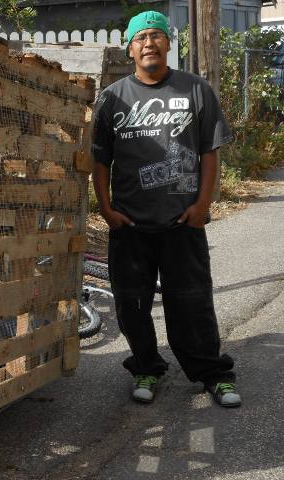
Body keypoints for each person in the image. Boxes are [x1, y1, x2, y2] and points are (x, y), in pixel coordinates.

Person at [91, 10, 241, 407]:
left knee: (191, 302)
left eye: (156, 35)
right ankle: (146, 367)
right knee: (131, 303)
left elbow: (209, 152)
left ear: (168, 44)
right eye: (141, 38)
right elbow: (100, 160)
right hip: (130, 225)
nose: (149, 43)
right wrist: (107, 209)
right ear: (130, 48)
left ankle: (212, 374)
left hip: (182, 222)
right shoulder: (113, 98)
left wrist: (202, 206)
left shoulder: (195, 90)